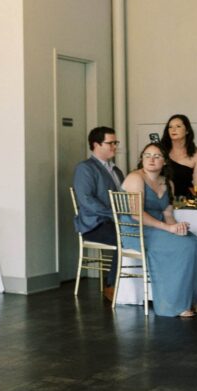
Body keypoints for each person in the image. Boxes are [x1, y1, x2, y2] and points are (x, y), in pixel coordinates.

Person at [120, 143, 197, 318]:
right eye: (147, 155)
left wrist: (176, 227)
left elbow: (167, 213)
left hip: (158, 228)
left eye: (157, 156)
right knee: (185, 248)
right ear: (141, 158)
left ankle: (192, 298)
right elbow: (137, 215)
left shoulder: (168, 183)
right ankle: (174, 305)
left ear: (165, 162)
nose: (151, 159)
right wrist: (168, 228)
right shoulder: (135, 178)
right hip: (137, 230)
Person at [72, 126, 125, 301]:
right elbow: (86, 200)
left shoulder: (116, 171)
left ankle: (133, 289)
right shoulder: (85, 168)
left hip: (115, 221)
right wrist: (114, 214)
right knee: (124, 238)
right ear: (96, 145)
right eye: (110, 143)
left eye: (115, 143)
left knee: (138, 234)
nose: (114, 147)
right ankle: (111, 285)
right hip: (94, 224)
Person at [160, 114, 197, 198]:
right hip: (161, 200)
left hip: (185, 201)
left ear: (187, 130)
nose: (173, 130)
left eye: (178, 126)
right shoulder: (160, 151)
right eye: (170, 127)